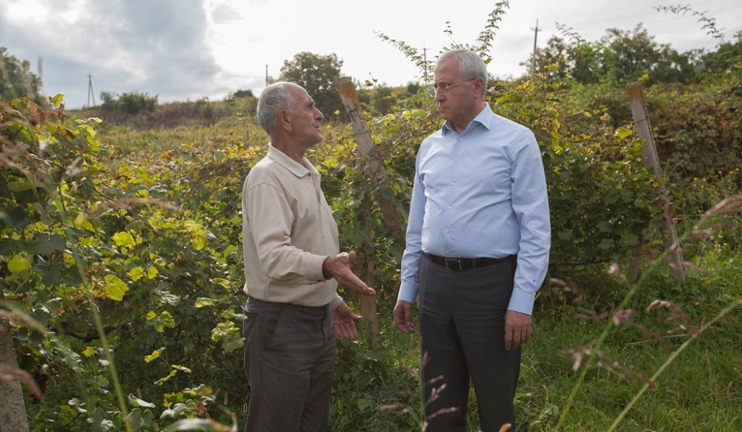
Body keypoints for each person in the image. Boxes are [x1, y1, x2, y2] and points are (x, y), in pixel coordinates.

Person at [393, 49, 551, 432]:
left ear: (477, 86)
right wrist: (408, 286)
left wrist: (521, 301)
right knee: (440, 403)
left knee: (495, 401)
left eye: (446, 86)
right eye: (435, 87)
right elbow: (418, 225)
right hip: (435, 285)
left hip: (490, 288)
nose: (438, 96)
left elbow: (536, 228)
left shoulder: (515, 141)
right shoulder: (430, 147)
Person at [241, 81, 376, 432]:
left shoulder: (305, 172)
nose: (319, 115)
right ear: (285, 119)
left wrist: (329, 301)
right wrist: (327, 266)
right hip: (281, 327)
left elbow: (308, 243)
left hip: (315, 323)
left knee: (311, 425)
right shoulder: (267, 178)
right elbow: (273, 256)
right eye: (311, 107)